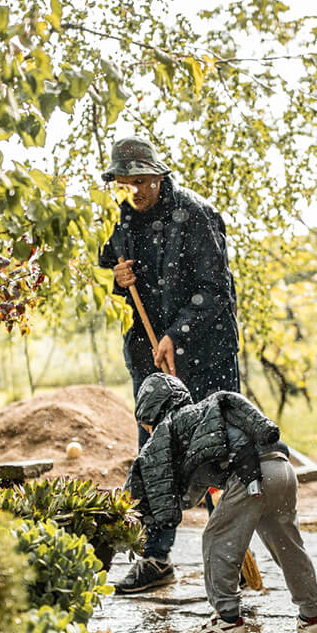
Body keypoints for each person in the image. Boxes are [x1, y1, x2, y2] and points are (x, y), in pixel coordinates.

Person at [98, 136, 240, 591]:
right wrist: (121, 279)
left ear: (159, 176)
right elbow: (114, 261)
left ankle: (230, 561)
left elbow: (215, 292)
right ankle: (156, 558)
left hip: (205, 356)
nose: (134, 191)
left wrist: (175, 336)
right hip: (151, 359)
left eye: (141, 181)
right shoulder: (124, 217)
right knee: (155, 454)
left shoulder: (195, 215)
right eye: (126, 183)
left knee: (215, 451)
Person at [124, 373, 317, 633]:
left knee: (217, 539)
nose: (148, 430)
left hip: (250, 476)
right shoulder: (204, 416)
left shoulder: (168, 428)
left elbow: (152, 470)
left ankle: (227, 620)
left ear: (152, 411)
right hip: (282, 468)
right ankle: (311, 616)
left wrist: (151, 512)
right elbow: (196, 487)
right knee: (288, 546)